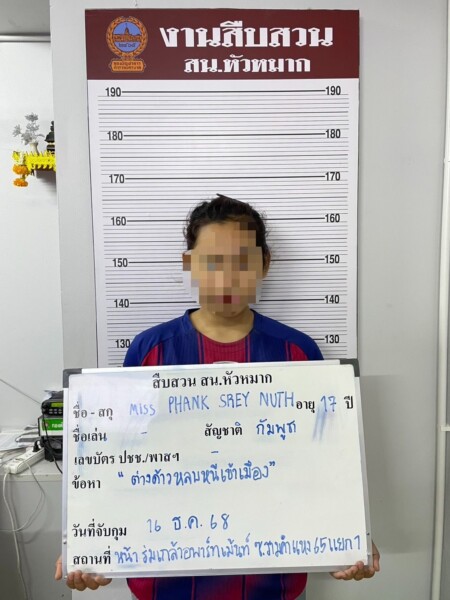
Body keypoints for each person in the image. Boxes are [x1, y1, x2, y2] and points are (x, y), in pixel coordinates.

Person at [55, 194, 380, 597]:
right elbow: (115, 463)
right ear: (189, 264)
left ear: (265, 264)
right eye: (212, 262)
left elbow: (328, 464)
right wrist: (88, 546)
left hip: (269, 582)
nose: (227, 278)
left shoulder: (297, 352)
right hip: (166, 580)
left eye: (243, 262)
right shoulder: (150, 351)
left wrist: (351, 537)